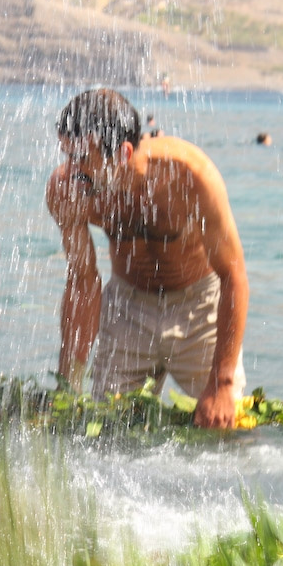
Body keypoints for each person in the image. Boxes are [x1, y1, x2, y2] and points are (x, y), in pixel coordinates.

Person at [46, 88, 249, 429]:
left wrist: (223, 382)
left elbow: (233, 274)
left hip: (198, 310)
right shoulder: (68, 190)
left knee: (225, 432)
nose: (72, 169)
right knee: (107, 433)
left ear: (123, 153)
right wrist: (68, 383)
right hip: (127, 309)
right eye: (68, 155)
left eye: (82, 158)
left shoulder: (189, 175)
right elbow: (82, 282)